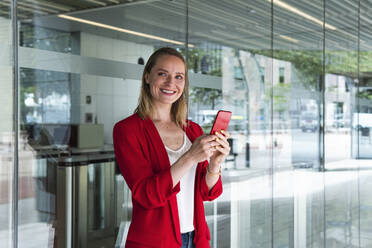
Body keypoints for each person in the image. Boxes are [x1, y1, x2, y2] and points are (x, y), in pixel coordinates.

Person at [113, 47, 230, 248]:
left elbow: (206, 192)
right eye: (162, 74)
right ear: (147, 77)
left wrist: (214, 164)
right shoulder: (128, 130)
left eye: (179, 77)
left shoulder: (192, 130)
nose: (171, 83)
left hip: (196, 239)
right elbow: (146, 194)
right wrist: (190, 157)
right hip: (155, 242)